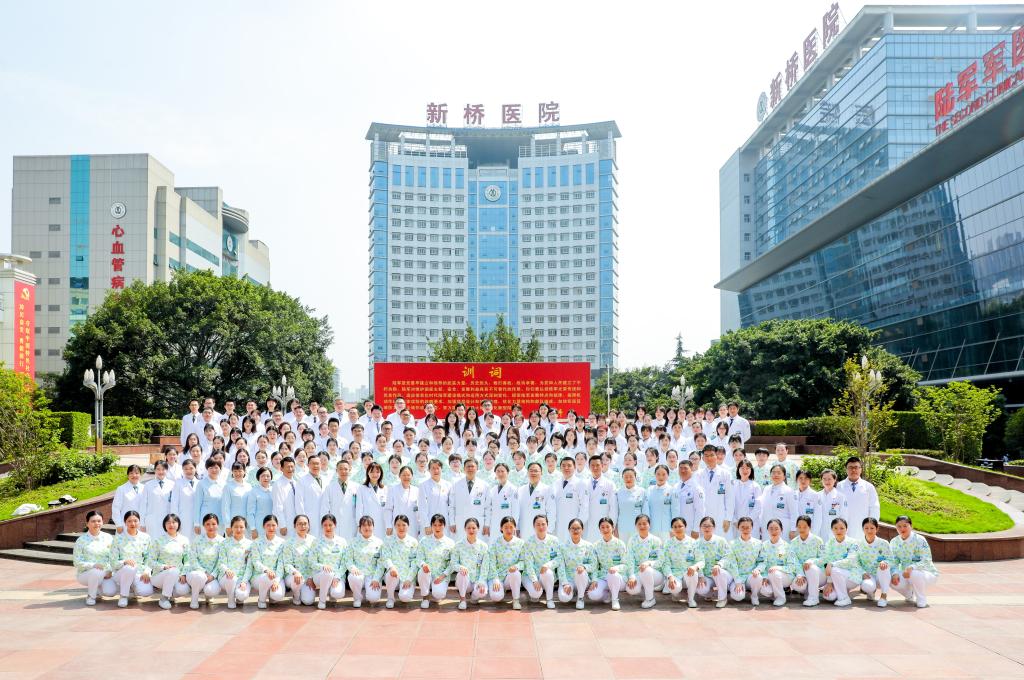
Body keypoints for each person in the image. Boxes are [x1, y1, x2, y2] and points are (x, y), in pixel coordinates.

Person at [832, 517, 892, 607]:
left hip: (881, 575)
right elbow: (855, 561)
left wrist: (885, 562)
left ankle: (883, 596)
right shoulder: (858, 544)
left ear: (877, 528)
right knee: (867, 586)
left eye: (872, 528)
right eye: (866, 528)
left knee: (884, 567)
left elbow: (891, 560)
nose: (869, 531)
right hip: (867, 575)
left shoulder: (884, 543)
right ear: (863, 529)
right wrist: (862, 572)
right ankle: (871, 592)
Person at [889, 515, 938, 608]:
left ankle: (921, 598)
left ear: (911, 526)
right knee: (890, 579)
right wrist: (894, 573)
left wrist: (912, 567)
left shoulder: (920, 539)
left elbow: (926, 559)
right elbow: (893, 561)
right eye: (899, 526)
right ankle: (909, 594)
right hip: (906, 573)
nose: (902, 529)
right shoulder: (894, 542)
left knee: (914, 573)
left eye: (905, 526)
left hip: (925, 572)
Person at [110, 510, 154, 607]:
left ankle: (131, 586)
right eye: (129, 521)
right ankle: (123, 596)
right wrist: (124, 562)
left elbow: (150, 557)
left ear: (139, 522)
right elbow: (113, 562)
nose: (133, 524)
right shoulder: (118, 539)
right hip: (121, 572)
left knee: (146, 591)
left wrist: (147, 571)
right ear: (125, 522)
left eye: (135, 521)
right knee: (129, 568)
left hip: (139, 573)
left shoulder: (146, 537)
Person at [147, 514, 191, 610]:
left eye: (174, 522)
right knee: (173, 571)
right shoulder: (158, 541)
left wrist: (183, 573)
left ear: (178, 524)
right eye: (168, 523)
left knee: (184, 589)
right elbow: (150, 561)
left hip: (178, 576)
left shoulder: (184, 540)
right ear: (164, 525)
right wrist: (164, 567)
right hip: (159, 576)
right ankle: (164, 598)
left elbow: (188, 560)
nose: (171, 525)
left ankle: (170, 594)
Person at [73, 510, 116, 605]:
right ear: (87, 523)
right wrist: (93, 565)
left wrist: (110, 570)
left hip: (106, 573)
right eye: (93, 521)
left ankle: (97, 589)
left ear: (102, 522)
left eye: (99, 521)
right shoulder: (81, 540)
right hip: (86, 574)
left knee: (110, 592)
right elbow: (76, 562)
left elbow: (114, 557)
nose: (97, 523)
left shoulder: (108, 537)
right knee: (96, 572)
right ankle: (91, 596)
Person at [588, 517, 629, 610]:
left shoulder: (620, 544)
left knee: (612, 574)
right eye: (602, 527)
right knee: (592, 594)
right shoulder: (596, 545)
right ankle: (607, 594)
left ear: (613, 528)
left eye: (608, 527)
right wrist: (594, 579)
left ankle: (615, 600)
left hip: (618, 577)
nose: (605, 529)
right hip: (603, 577)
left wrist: (616, 568)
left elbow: (626, 564)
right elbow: (595, 566)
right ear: (599, 529)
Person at [486, 516, 527, 609]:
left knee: (516, 573)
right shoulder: (495, 543)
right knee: (496, 597)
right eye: (506, 527)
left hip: (510, 576)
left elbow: (523, 562)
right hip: (497, 576)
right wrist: (495, 579)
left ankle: (516, 600)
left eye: (511, 527)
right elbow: (491, 562)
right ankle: (501, 589)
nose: (509, 530)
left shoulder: (521, 543)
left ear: (515, 528)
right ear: (501, 528)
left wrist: (516, 566)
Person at [310, 513, 349, 609]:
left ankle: (332, 593)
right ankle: (322, 600)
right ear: (322, 526)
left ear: (335, 525)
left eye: (330, 525)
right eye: (325, 525)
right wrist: (323, 567)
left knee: (337, 593)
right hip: (320, 575)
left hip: (337, 576)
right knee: (328, 573)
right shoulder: (316, 542)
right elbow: (311, 562)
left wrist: (337, 577)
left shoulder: (342, 541)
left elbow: (345, 562)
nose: (328, 528)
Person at [415, 514, 455, 609]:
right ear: (431, 526)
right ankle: (425, 597)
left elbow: (453, 563)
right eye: (435, 525)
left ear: (444, 526)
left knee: (439, 594)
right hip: (427, 573)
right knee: (422, 571)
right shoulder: (424, 540)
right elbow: (418, 558)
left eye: (440, 525)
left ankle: (435, 593)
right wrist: (423, 564)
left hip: (441, 576)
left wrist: (443, 576)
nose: (437, 528)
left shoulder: (450, 543)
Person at [625, 514, 664, 609]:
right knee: (632, 590)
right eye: (639, 524)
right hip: (637, 572)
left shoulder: (656, 540)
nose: (642, 526)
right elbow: (630, 560)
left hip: (655, 574)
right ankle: (646, 587)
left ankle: (650, 599)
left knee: (646, 570)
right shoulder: (632, 540)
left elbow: (660, 560)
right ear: (636, 526)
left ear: (649, 525)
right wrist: (631, 576)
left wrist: (648, 563)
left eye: (644, 523)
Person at [248, 514, 287, 609]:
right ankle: (262, 599)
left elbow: (281, 564)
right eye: (268, 525)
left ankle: (271, 594)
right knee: (266, 577)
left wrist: (276, 581)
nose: (271, 528)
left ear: (277, 526)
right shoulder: (256, 542)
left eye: (273, 525)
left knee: (277, 595)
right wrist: (266, 570)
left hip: (277, 576)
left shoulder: (282, 543)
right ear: (263, 526)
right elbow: (256, 561)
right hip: (259, 576)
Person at [693, 516, 733, 608]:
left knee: (720, 572)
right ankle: (711, 593)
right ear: (700, 527)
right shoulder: (696, 543)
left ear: (714, 527)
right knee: (701, 590)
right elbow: (696, 560)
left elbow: (728, 556)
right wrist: (701, 576)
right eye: (704, 526)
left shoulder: (721, 541)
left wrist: (719, 565)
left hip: (721, 573)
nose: (706, 528)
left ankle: (722, 598)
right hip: (707, 576)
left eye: (709, 526)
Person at [661, 517, 701, 608]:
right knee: (674, 588)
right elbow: (665, 563)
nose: (677, 529)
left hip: (689, 573)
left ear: (685, 527)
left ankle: (691, 599)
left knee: (694, 573)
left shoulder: (693, 542)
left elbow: (700, 560)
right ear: (672, 529)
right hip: (675, 574)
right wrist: (670, 576)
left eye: (680, 526)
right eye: (675, 527)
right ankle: (675, 594)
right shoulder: (668, 543)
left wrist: (695, 567)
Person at [187, 513, 225, 609]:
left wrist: (213, 575)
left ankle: (208, 596)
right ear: (203, 526)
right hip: (198, 573)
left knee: (210, 591)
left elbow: (222, 561)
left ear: (218, 525)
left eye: (213, 524)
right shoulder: (197, 540)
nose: (211, 527)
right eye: (207, 524)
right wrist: (203, 572)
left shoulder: (223, 542)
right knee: (198, 576)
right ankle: (194, 599)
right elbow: (192, 559)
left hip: (213, 576)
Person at [837, 457, 880, 540]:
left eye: (856, 467)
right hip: (843, 526)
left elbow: (874, 508)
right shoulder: (839, 486)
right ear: (846, 469)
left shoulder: (869, 487)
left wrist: (872, 526)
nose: (853, 470)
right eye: (850, 467)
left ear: (861, 469)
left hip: (863, 526)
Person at [346, 515, 384, 608]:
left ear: (373, 527)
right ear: (360, 528)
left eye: (369, 525)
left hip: (372, 575)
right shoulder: (353, 542)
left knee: (373, 598)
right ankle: (357, 598)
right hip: (358, 573)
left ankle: (366, 590)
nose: (367, 528)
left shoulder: (379, 543)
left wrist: (376, 578)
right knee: (353, 577)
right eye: (364, 525)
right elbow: (348, 559)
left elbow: (381, 563)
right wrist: (353, 568)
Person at [450, 517, 489, 610]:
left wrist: (481, 581)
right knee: (462, 574)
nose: (471, 530)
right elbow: (453, 563)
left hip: (477, 580)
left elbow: (485, 566)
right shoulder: (458, 545)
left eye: (474, 528)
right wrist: (460, 568)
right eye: (468, 528)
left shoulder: (483, 546)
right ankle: (462, 599)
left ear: (478, 529)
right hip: (464, 580)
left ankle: (474, 598)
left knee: (482, 592)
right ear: (465, 529)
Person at [381, 514, 419, 608]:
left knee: (405, 597)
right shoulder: (388, 540)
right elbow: (385, 557)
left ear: (408, 526)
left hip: (407, 576)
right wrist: (391, 567)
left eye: (404, 525)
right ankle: (390, 597)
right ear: (394, 526)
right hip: (394, 574)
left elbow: (415, 562)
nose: (401, 528)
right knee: (390, 574)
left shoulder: (413, 542)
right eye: (398, 525)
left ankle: (404, 590)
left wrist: (409, 579)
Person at [523, 514, 560, 609]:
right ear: (534, 526)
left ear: (547, 525)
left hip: (546, 575)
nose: (541, 527)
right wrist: (534, 580)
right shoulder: (529, 542)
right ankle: (536, 593)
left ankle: (549, 599)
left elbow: (558, 559)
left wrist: (548, 565)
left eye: (543, 524)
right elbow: (528, 564)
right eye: (538, 524)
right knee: (536, 593)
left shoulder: (554, 540)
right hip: (530, 575)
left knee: (548, 572)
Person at [788, 514, 825, 607]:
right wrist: (800, 574)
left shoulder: (818, 540)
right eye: (799, 526)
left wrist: (811, 561)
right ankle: (808, 591)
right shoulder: (793, 543)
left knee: (811, 568)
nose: (802, 529)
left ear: (810, 527)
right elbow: (793, 561)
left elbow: (823, 558)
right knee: (797, 586)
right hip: (802, 575)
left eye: (805, 527)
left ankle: (813, 598)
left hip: (818, 575)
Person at [557, 518, 594, 609]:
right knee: (564, 598)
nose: (575, 530)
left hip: (583, 579)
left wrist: (584, 567)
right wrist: (565, 583)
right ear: (569, 530)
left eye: (578, 528)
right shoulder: (562, 547)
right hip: (569, 580)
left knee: (580, 571)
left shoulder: (589, 546)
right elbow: (560, 567)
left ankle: (580, 598)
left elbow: (593, 565)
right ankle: (574, 592)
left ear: (582, 530)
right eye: (573, 528)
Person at [448, 458, 489, 542]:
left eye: (472, 466)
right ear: (464, 469)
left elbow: (488, 507)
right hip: (460, 522)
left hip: (478, 522)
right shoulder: (456, 485)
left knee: (478, 545)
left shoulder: (484, 485)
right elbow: (451, 506)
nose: (470, 468)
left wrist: (487, 524)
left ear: (477, 468)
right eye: (468, 466)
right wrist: (452, 522)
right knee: (461, 545)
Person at [820, 518, 858, 606]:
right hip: (836, 577)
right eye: (835, 528)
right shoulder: (829, 543)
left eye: (842, 528)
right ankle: (842, 591)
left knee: (835, 569)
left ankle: (844, 598)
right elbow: (826, 560)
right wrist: (829, 582)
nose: (838, 531)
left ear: (846, 529)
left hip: (852, 576)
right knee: (829, 596)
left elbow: (851, 561)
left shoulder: (853, 543)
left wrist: (833, 564)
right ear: (832, 529)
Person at [217, 516, 252, 609]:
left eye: (241, 527)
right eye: (236, 526)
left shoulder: (250, 544)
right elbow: (221, 562)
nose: (238, 529)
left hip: (242, 578)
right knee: (231, 578)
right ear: (231, 528)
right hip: (227, 577)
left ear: (245, 528)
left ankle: (239, 596)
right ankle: (231, 599)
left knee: (242, 595)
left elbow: (250, 566)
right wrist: (227, 570)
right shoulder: (224, 543)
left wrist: (244, 581)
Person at [756, 518, 793, 606]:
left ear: (781, 530)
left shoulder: (787, 546)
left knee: (775, 573)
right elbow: (762, 563)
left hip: (785, 576)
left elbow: (791, 567)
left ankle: (780, 598)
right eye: (771, 529)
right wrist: (764, 576)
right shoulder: (764, 545)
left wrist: (777, 568)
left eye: (776, 528)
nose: (774, 531)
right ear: (767, 530)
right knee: (764, 590)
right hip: (769, 576)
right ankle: (775, 593)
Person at [697, 446, 733, 536]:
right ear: (702, 458)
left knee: (721, 541)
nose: (709, 458)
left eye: (712, 455)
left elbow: (730, 498)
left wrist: (728, 518)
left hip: (720, 516)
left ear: (717, 456)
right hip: (703, 516)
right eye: (706, 455)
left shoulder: (726, 474)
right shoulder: (698, 475)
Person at [282, 515, 318, 606]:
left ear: (309, 525)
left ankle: (302, 591)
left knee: (308, 601)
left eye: (305, 524)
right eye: (300, 524)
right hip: (293, 576)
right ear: (295, 526)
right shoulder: (289, 543)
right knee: (296, 580)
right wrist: (295, 572)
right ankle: (296, 595)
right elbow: (287, 564)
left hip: (308, 578)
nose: (303, 526)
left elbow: (317, 561)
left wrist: (311, 577)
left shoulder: (314, 541)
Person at [727, 516, 763, 606]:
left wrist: (758, 569)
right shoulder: (732, 544)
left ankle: (754, 596)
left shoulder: (758, 543)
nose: (745, 529)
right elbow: (732, 564)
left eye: (748, 527)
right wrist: (737, 581)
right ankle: (733, 586)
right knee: (738, 597)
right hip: (738, 576)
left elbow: (762, 561)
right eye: (742, 527)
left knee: (758, 577)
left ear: (752, 528)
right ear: (738, 527)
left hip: (752, 576)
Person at [320, 460, 358, 541]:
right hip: (335, 523)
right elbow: (325, 508)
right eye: (340, 469)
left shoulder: (356, 487)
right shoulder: (330, 487)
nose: (343, 471)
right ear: (336, 470)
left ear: (350, 470)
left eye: (346, 469)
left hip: (351, 524)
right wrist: (327, 525)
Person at [583, 456, 617, 543]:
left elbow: (613, 508)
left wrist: (612, 525)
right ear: (589, 467)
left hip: (603, 524)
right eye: (592, 465)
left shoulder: (610, 484)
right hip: (587, 524)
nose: (595, 468)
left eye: (597, 465)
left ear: (602, 466)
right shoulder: (584, 484)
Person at [758, 464, 797, 540]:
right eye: (773, 472)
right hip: (767, 527)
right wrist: (760, 524)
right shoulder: (766, 489)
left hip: (783, 528)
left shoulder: (789, 491)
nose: (776, 475)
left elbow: (794, 512)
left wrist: (793, 529)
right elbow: (762, 509)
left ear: (784, 476)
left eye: (779, 473)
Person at [553, 457, 587, 542]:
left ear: (574, 467)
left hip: (574, 526)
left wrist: (579, 525)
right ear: (560, 467)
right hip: (558, 525)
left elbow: (584, 507)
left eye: (569, 465)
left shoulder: (580, 484)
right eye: (563, 465)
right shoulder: (555, 484)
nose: (566, 468)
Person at [139, 462, 174, 540]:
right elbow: (143, 505)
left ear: (167, 470)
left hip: (167, 519)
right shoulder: (148, 485)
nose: (160, 472)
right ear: (154, 470)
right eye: (158, 469)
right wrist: (142, 523)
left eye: (163, 469)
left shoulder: (172, 485)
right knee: (152, 542)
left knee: (166, 542)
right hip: (152, 520)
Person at [517, 463, 555, 535]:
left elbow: (551, 512)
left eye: (536, 471)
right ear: (527, 473)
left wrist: (549, 530)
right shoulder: (520, 490)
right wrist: (517, 528)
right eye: (531, 471)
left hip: (541, 530)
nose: (533, 473)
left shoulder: (547, 490)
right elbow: (517, 512)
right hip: (524, 529)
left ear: (541, 473)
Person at [354, 463, 388, 539]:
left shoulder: (385, 489)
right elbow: (359, 509)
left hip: (381, 524)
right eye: (372, 472)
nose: (375, 474)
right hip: (367, 524)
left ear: (381, 473)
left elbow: (387, 509)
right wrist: (359, 524)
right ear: (368, 473)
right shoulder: (361, 488)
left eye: (377, 472)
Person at [386, 466, 421, 538]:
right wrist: (388, 525)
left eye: (408, 475)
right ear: (399, 476)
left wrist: (420, 526)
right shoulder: (393, 490)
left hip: (413, 526)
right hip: (398, 525)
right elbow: (388, 509)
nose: (406, 477)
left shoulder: (417, 490)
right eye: (404, 475)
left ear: (412, 476)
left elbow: (420, 511)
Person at [673, 460, 705, 539]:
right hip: (677, 528)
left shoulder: (696, 488)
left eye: (685, 468)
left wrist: (696, 529)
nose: (683, 470)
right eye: (681, 468)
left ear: (691, 469)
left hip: (690, 529)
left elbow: (700, 510)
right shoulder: (675, 486)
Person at [271, 457, 302, 537]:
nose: (290, 469)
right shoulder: (278, 484)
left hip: (296, 522)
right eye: (288, 467)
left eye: (292, 466)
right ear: (281, 469)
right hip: (285, 524)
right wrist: (282, 525)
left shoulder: (295, 482)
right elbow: (277, 507)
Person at [616, 468, 648, 543]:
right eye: (626, 477)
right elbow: (616, 511)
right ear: (622, 478)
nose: (628, 479)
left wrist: (645, 525)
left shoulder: (642, 491)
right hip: (622, 527)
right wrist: (615, 528)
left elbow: (645, 511)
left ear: (635, 477)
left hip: (638, 527)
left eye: (631, 476)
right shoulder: (618, 492)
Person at [193, 460, 226, 534]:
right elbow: (197, 505)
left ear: (220, 468)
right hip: (206, 521)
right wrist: (196, 524)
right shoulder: (201, 484)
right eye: (211, 468)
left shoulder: (224, 484)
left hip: (220, 521)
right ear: (207, 469)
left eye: (216, 467)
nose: (214, 470)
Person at [111, 465, 145, 534]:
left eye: (137, 473)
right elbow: (116, 508)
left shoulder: (145, 488)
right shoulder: (121, 489)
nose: (134, 475)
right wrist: (118, 524)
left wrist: (144, 523)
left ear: (140, 474)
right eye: (131, 473)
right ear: (128, 475)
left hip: (141, 524)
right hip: (125, 524)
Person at [221, 463, 252, 537]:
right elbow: (225, 507)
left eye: (240, 471)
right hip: (233, 523)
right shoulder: (228, 487)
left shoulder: (249, 486)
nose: (238, 473)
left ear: (244, 471)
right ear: (232, 472)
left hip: (247, 523)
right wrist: (227, 525)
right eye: (235, 471)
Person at [172, 459, 200, 541]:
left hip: (198, 519)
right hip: (183, 518)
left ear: (195, 469)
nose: (189, 471)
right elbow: (174, 503)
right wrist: (175, 520)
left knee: (197, 541)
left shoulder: (200, 483)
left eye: (191, 468)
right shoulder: (178, 483)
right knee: (184, 541)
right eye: (186, 469)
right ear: (182, 470)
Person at [645, 465, 675, 541]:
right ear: (654, 475)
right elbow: (646, 509)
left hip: (667, 529)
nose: (661, 477)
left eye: (664, 474)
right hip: (652, 528)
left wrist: (673, 528)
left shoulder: (672, 490)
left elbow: (675, 511)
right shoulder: (649, 490)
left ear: (668, 475)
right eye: (658, 474)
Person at [817, 469, 847, 541]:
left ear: (835, 480)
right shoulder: (817, 496)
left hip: (836, 532)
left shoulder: (841, 497)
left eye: (829, 479)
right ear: (821, 480)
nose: (827, 481)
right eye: (824, 479)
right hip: (819, 531)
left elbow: (844, 516)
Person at [246, 467, 275, 540]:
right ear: (258, 477)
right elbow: (250, 512)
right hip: (259, 526)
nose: (266, 478)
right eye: (263, 476)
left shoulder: (274, 490)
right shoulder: (254, 491)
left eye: (268, 476)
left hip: (273, 526)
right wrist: (253, 528)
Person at [794, 470, 823, 538]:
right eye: (800, 478)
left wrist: (813, 534)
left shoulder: (815, 495)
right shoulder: (793, 494)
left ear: (810, 480)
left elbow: (818, 517)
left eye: (806, 478)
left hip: (810, 531)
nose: (803, 481)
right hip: (795, 531)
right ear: (796, 480)